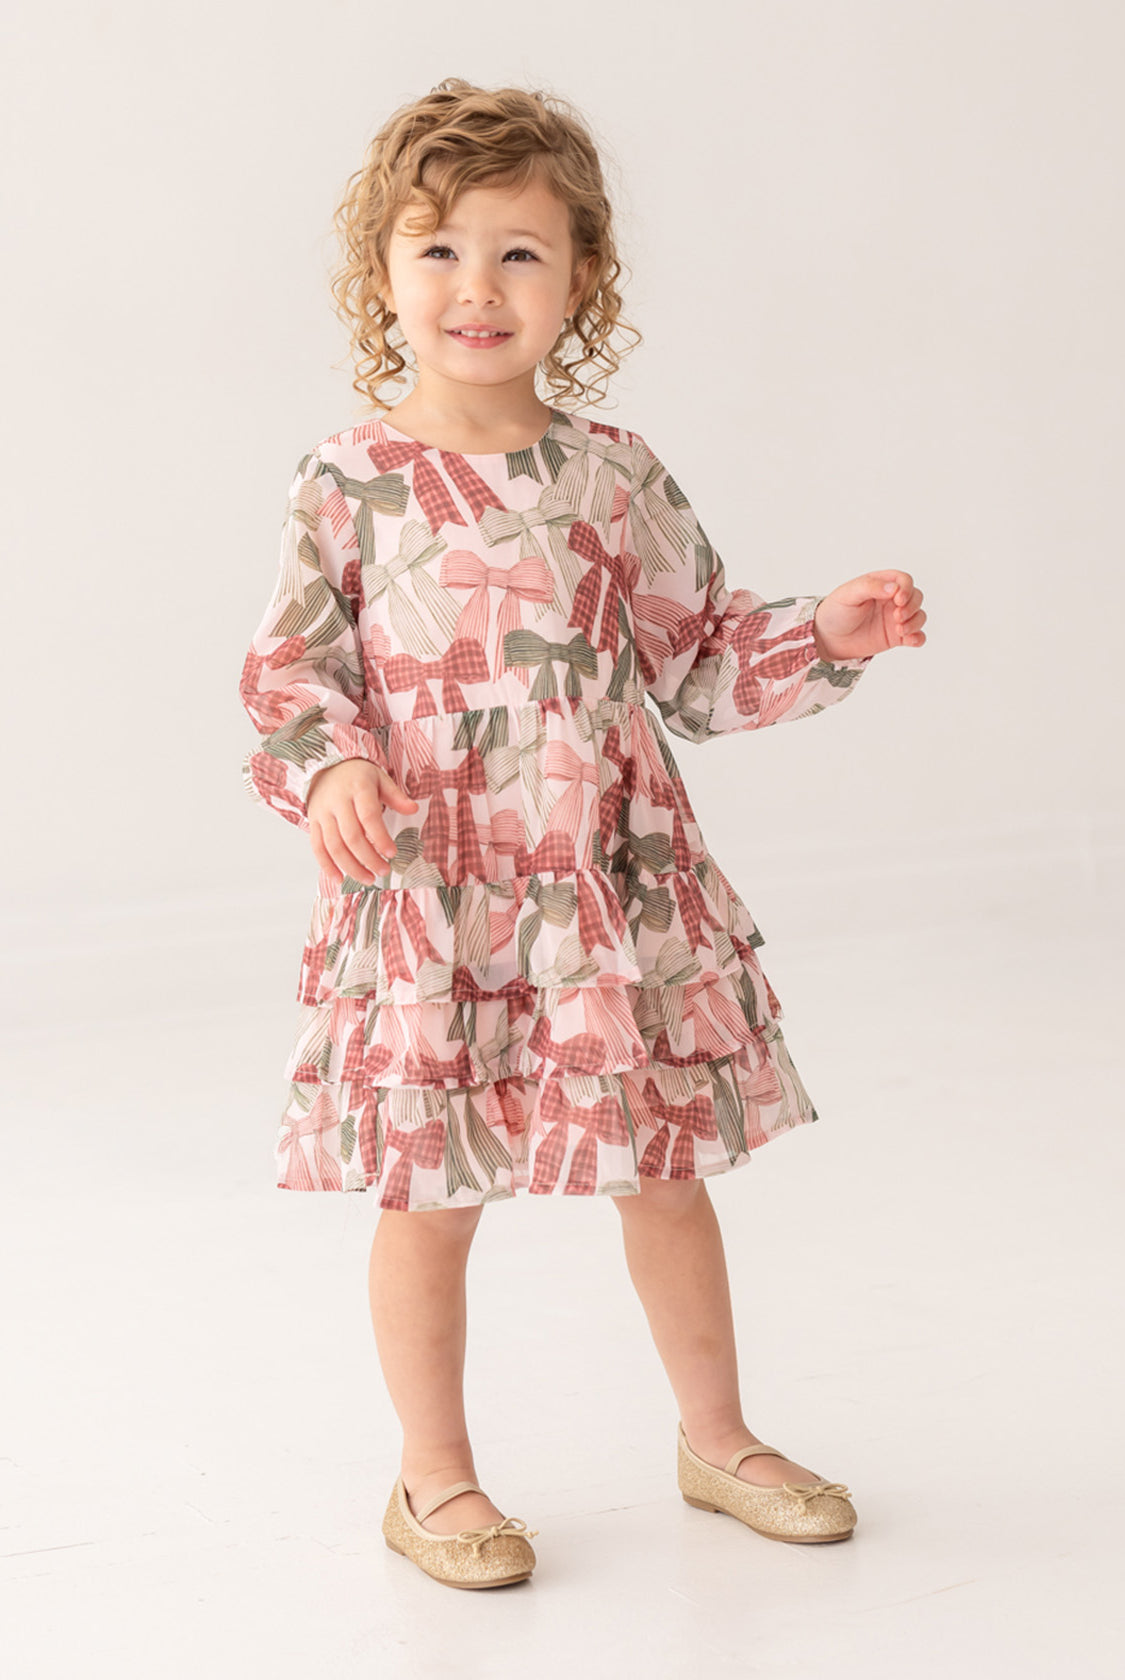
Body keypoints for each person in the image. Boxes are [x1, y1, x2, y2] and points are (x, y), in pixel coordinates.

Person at [238, 77, 927, 1591]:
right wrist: (332, 769)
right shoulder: (346, 482)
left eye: (518, 253)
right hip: (434, 895)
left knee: (662, 1169)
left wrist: (823, 632)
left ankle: (717, 1438)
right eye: (437, 250)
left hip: (603, 888)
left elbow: (696, 658)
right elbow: (294, 671)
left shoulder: (614, 476)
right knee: (430, 1195)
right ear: (381, 273)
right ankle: (432, 1477)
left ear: (580, 278)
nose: (476, 287)